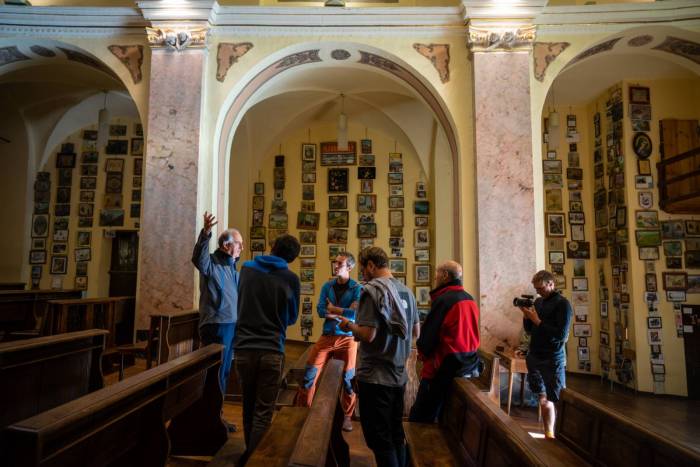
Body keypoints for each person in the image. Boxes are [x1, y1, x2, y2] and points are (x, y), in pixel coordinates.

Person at [338, 247, 419, 467]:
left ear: (371, 265)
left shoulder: (371, 291)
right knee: (395, 434)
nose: (362, 275)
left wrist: (349, 325)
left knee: (379, 439)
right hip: (398, 376)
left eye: (363, 270)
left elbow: (368, 334)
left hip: (375, 377)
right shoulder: (407, 291)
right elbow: (415, 333)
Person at [233, 234, 301, 455]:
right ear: (292, 258)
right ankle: (255, 459)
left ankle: (248, 452)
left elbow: (240, 300)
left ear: (272, 247)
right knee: (263, 411)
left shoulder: (246, 269)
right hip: (272, 348)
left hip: (243, 347)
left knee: (248, 406)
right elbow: (291, 318)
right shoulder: (290, 278)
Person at [296, 252, 362, 432]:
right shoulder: (327, 286)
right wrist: (338, 311)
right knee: (309, 373)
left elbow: (356, 314)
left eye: (340, 263)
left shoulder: (357, 288)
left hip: (348, 338)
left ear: (349, 267)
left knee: (349, 379)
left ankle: (347, 416)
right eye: (335, 262)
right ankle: (302, 412)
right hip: (327, 335)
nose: (335, 265)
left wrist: (333, 309)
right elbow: (319, 310)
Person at [409, 261, 480, 423]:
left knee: (420, 418)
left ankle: (419, 448)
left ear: (445, 276)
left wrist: (422, 354)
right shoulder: (469, 298)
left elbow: (428, 338)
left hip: (441, 368)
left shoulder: (445, 300)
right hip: (466, 364)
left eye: (437, 273)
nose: (435, 277)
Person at [191, 211, 243, 432]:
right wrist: (206, 233)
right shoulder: (211, 262)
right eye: (239, 243)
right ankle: (210, 418)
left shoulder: (232, 267)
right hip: (216, 324)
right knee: (215, 373)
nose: (242, 247)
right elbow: (198, 259)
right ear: (226, 245)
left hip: (230, 325)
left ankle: (216, 416)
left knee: (223, 372)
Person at [519, 270, 573, 439]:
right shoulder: (539, 302)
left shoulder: (563, 304)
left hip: (552, 358)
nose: (538, 292)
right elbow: (530, 330)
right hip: (535, 356)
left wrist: (537, 321)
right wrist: (526, 317)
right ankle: (549, 435)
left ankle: (559, 437)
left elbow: (561, 336)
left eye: (541, 288)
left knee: (556, 399)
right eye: (536, 289)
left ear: (551, 284)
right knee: (542, 398)